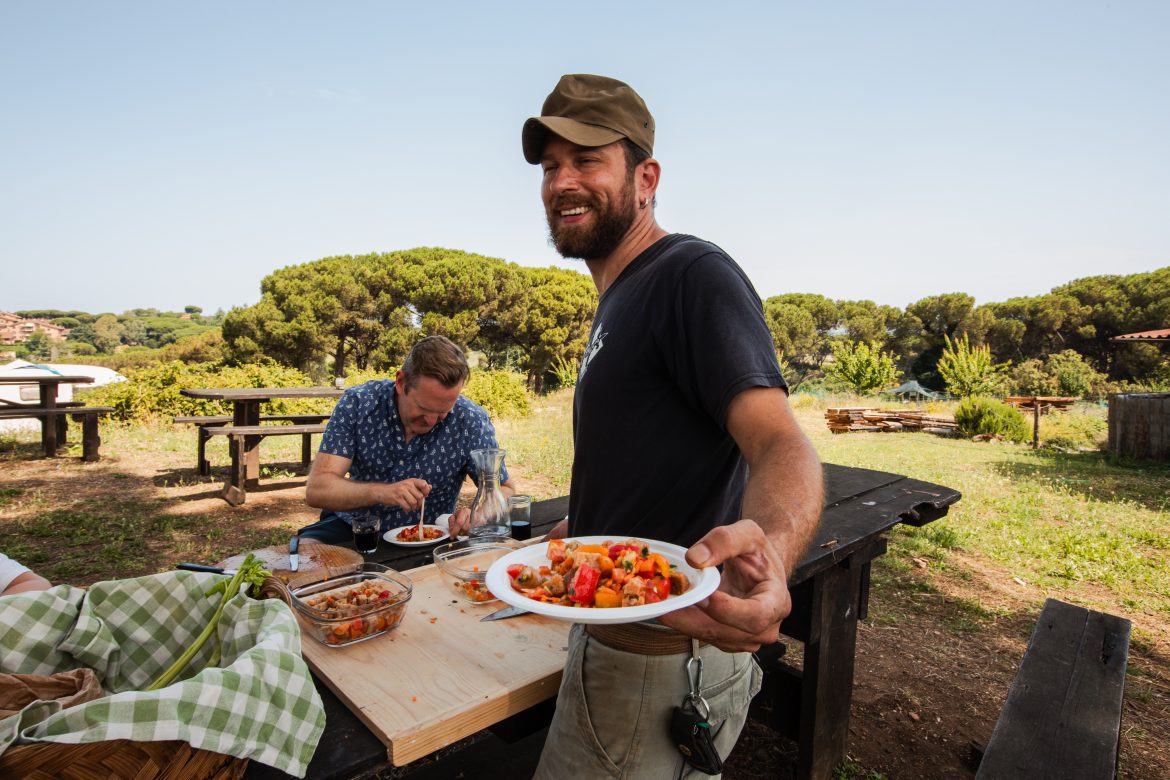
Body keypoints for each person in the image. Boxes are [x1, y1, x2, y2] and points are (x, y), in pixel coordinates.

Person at [522, 74, 824, 778]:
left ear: (646, 176)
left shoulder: (691, 275)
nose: (562, 182)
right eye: (550, 166)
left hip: (657, 667)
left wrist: (771, 558)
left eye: (587, 160)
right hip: (618, 649)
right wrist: (586, 533)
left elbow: (781, 443)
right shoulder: (620, 298)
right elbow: (658, 458)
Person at [302, 335, 515, 543]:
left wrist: (479, 514)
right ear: (401, 381)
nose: (431, 421)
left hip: (432, 535)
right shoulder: (359, 404)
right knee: (301, 557)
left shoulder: (470, 420)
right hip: (356, 528)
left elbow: (506, 489)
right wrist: (381, 492)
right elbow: (317, 489)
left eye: (443, 412)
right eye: (422, 408)